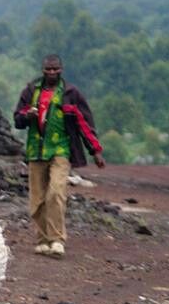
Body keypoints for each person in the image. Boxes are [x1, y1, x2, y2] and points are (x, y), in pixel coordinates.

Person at [13, 54, 105, 258]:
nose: (52, 72)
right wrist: (27, 115)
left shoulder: (71, 94)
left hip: (61, 149)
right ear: (43, 70)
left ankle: (56, 240)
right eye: (48, 69)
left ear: (61, 70)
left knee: (55, 192)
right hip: (36, 150)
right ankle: (42, 240)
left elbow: (84, 123)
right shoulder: (31, 91)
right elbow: (17, 119)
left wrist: (95, 150)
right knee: (37, 198)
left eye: (55, 69)